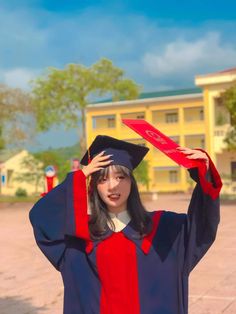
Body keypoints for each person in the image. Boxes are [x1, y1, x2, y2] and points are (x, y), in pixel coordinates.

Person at [29, 135, 222, 314]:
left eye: (121, 177)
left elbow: (202, 226)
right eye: (103, 179)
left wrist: (204, 174)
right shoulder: (80, 238)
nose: (113, 186)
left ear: (132, 182)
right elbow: (42, 217)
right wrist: (81, 174)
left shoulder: (163, 229)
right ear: (93, 186)